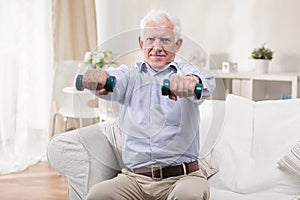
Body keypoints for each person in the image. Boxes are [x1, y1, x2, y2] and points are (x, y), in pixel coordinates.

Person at [83, 9, 215, 200]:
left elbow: (206, 82)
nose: (157, 47)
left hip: (183, 178)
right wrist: (99, 79)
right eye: (150, 39)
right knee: (98, 195)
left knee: (188, 196)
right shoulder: (128, 76)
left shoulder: (186, 71)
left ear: (177, 45)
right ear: (140, 43)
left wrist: (190, 83)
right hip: (135, 180)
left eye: (165, 40)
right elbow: (111, 80)